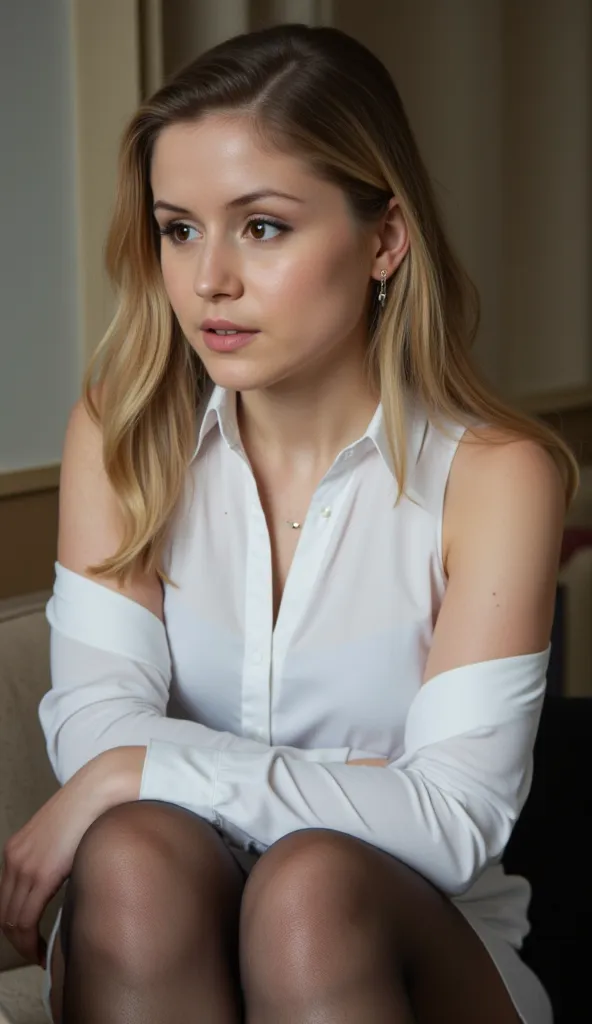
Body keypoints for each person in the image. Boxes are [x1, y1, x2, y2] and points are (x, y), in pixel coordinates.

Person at [0, 21, 577, 1024]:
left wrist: (146, 764)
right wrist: (342, 780)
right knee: (134, 852)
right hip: (165, 917)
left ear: (385, 238)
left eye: (261, 226)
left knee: (306, 887)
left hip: (410, 953)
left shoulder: (496, 476)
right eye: (179, 228)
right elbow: (92, 733)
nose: (208, 279)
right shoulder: (125, 431)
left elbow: (448, 824)